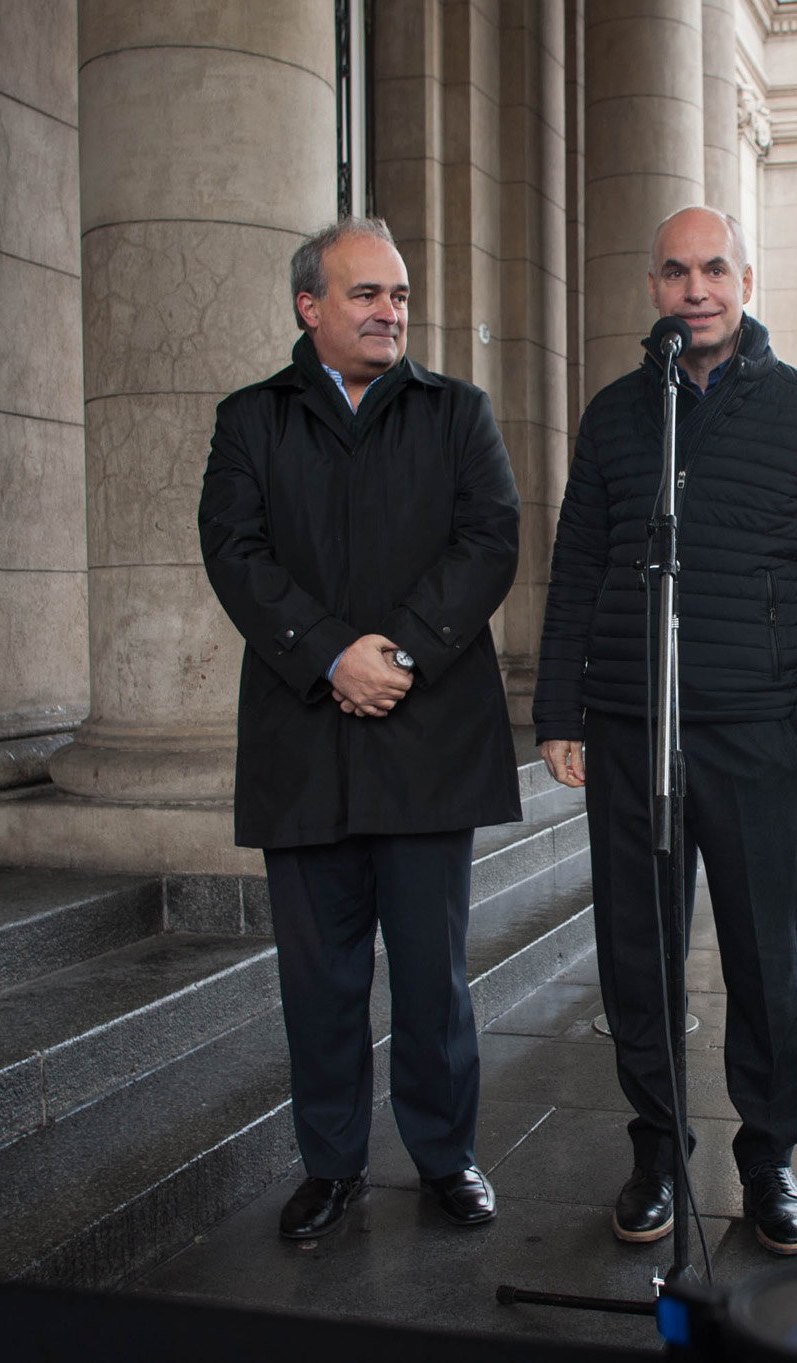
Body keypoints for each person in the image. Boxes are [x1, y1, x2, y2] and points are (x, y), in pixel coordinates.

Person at [533, 207, 797, 1256]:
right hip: (629, 729)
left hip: (751, 740)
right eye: (677, 273)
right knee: (634, 958)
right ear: (653, 286)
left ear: (746, 276)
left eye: (716, 270)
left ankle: (768, 1157)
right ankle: (654, 1149)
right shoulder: (615, 417)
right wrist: (560, 710)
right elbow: (579, 572)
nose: (697, 290)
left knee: (761, 961)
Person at [199, 217, 521, 1241]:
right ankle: (330, 1166)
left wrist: (404, 652)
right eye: (366, 295)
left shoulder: (454, 412)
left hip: (425, 734)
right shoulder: (251, 420)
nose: (390, 313)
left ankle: (445, 1158)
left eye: (399, 297)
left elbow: (490, 541)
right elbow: (233, 550)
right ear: (309, 307)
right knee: (320, 979)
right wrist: (331, 653)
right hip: (305, 740)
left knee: (432, 977)